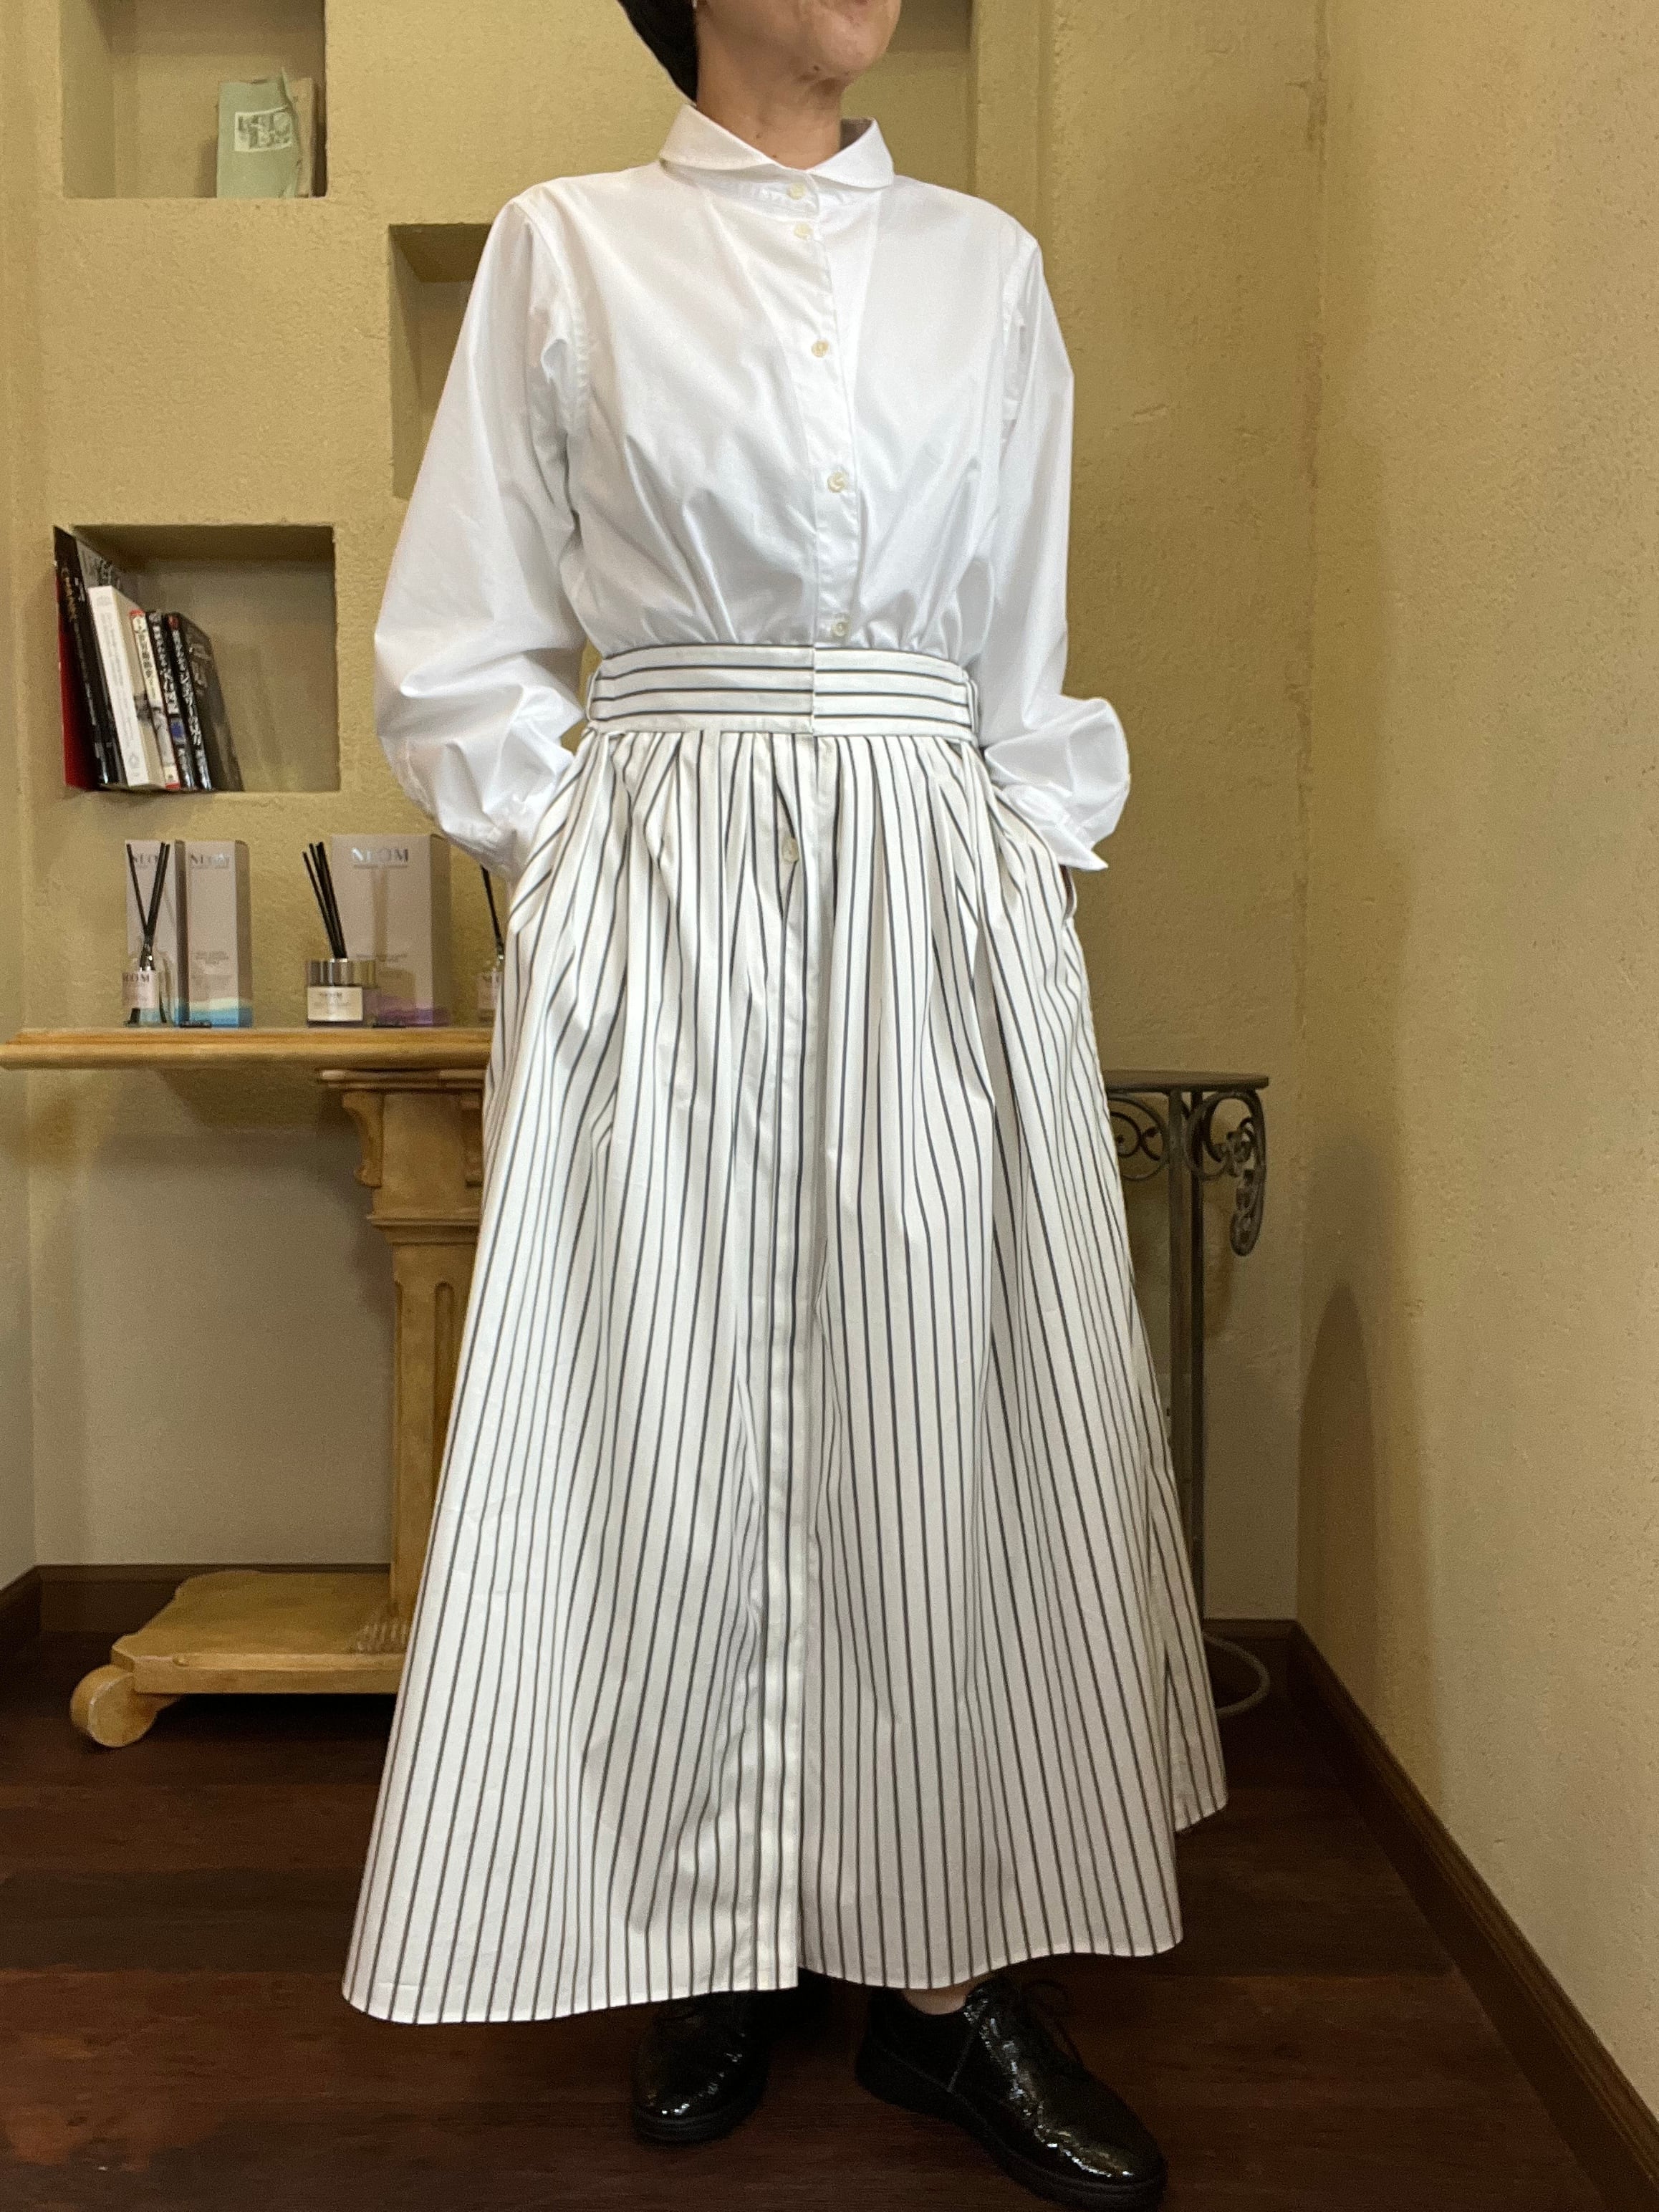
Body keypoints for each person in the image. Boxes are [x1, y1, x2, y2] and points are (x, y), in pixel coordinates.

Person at [340, 1, 1227, 2203]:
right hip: (665, 873)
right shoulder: (567, 246)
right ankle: (707, 1928)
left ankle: (943, 1983)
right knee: (667, 1392)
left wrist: (1013, 868)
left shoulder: (981, 265)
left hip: (932, 870)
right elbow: (457, 636)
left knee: (938, 1400)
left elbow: (1017, 641)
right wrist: (576, 854)